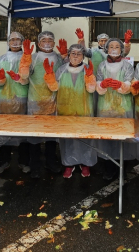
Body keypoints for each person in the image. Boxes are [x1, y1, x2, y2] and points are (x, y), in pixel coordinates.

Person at [44, 44, 97, 178]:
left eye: (78, 54)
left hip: (84, 109)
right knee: (67, 139)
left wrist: (90, 77)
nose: (75, 56)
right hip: (65, 109)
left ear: (83, 56)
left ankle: (85, 164)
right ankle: (68, 164)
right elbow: (54, 88)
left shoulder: (87, 69)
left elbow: (91, 89)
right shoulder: (61, 69)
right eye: (73, 53)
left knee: (84, 137)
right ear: (68, 55)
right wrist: (50, 76)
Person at [25, 31, 64, 178]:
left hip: (53, 100)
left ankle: (50, 161)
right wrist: (25, 59)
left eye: (50, 40)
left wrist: (65, 56)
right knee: (34, 134)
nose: (47, 42)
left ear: (54, 43)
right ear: (39, 43)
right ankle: (34, 164)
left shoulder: (58, 58)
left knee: (51, 134)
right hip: (35, 100)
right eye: (44, 40)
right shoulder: (34, 58)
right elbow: (24, 75)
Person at [96, 38, 135, 180]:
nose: (113, 49)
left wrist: (122, 85)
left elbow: (130, 83)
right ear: (106, 49)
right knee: (107, 137)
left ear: (121, 50)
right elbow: (97, 83)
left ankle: (122, 169)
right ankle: (108, 168)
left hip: (123, 106)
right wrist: (101, 85)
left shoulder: (127, 66)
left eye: (117, 46)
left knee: (121, 138)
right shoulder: (101, 65)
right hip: (105, 106)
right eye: (111, 46)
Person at [0, 32, 30, 173]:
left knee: (23, 132)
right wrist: (0, 79)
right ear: (7, 42)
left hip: (22, 99)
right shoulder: (0, 59)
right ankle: (4, 160)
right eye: (12, 39)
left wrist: (21, 78)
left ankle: (24, 161)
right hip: (3, 100)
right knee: (3, 131)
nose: (15, 42)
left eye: (18, 39)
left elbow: (30, 79)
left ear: (22, 41)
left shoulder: (27, 59)